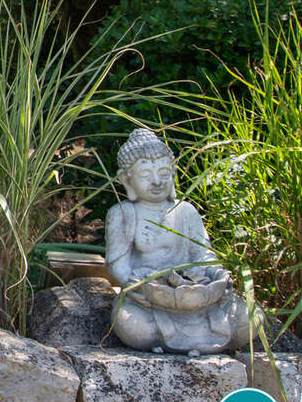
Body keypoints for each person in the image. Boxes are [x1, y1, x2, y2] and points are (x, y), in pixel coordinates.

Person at [106, 128, 251, 354]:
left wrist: (219, 276)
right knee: (129, 323)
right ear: (127, 179)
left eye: (164, 174)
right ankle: (200, 342)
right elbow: (118, 263)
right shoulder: (123, 213)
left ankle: (193, 339)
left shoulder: (186, 211)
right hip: (149, 298)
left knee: (249, 318)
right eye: (145, 175)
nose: (156, 182)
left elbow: (203, 254)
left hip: (197, 295)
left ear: (173, 173)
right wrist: (132, 285)